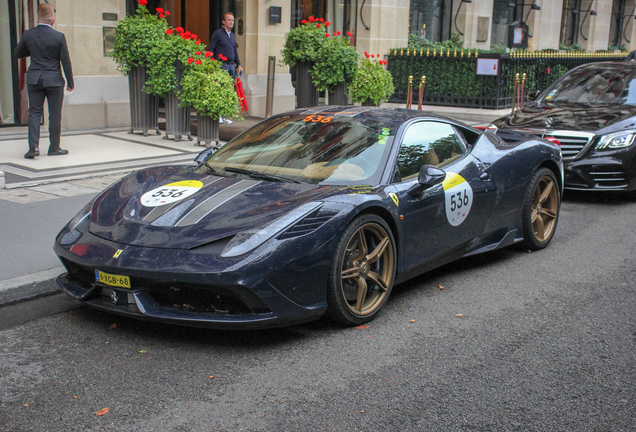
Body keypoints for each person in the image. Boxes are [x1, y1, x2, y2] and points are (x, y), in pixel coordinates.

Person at [15, 3, 74, 159]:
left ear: (38, 17)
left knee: (34, 113)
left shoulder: (28, 34)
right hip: (54, 79)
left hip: (35, 79)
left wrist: (33, 50)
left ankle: (33, 148)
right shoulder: (58, 36)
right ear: (51, 18)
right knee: (54, 115)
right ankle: (54, 147)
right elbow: (65, 61)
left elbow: (18, 53)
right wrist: (70, 82)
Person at [209, 12, 243, 124]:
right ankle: (219, 115)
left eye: (232, 20)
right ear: (223, 21)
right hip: (221, 65)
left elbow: (234, 51)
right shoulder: (218, 34)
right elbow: (211, 49)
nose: (231, 22)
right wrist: (212, 64)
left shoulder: (232, 36)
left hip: (231, 66)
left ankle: (225, 115)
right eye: (229, 20)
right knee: (221, 89)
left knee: (228, 91)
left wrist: (239, 65)